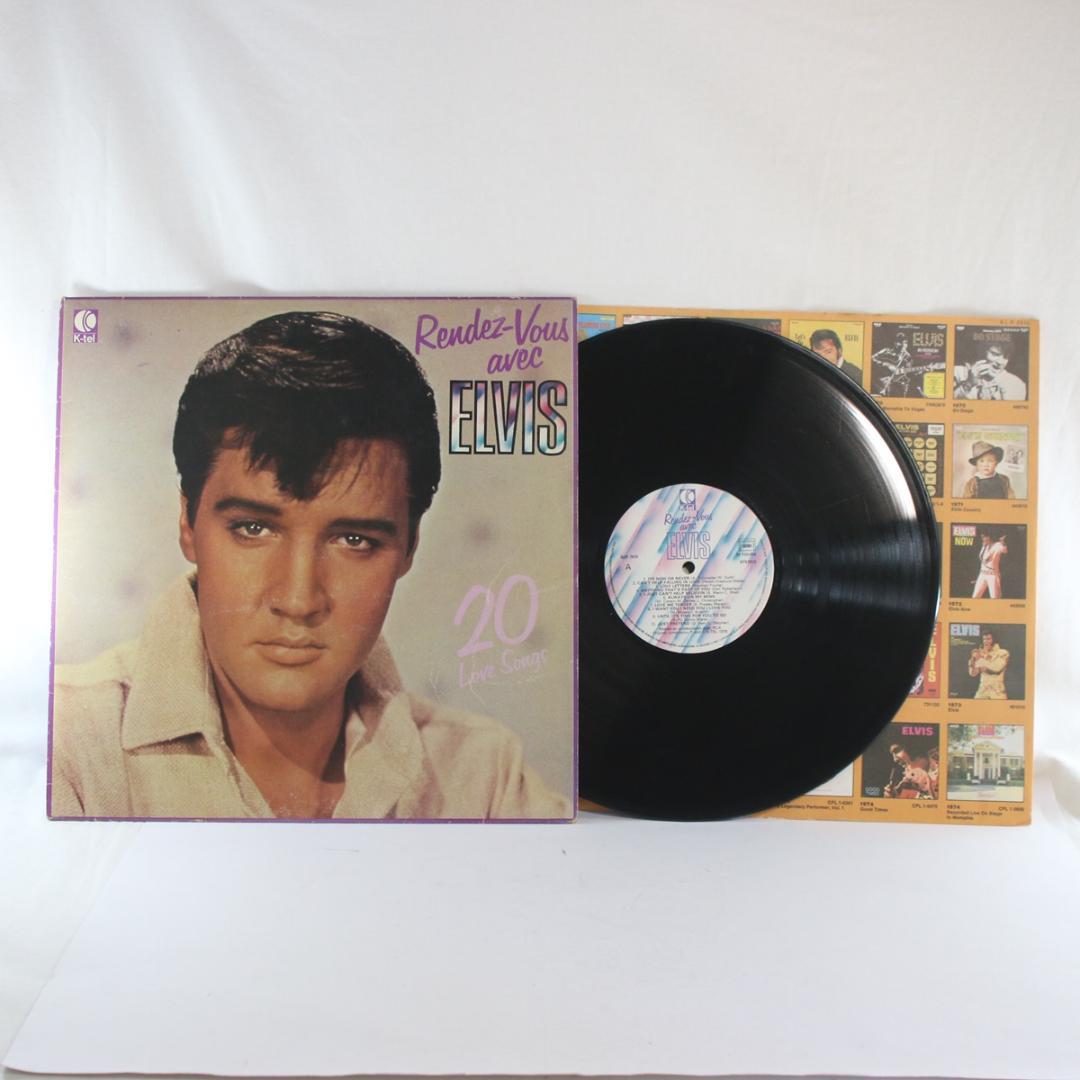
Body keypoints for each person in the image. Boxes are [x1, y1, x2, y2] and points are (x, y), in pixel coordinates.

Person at [51, 311, 570, 821]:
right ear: (188, 522)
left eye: (354, 540)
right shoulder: (67, 743)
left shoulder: (483, 777)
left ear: (409, 546)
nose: (298, 600)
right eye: (253, 529)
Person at [954, 342, 1027, 401]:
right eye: (995, 354)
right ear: (982, 351)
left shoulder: (1017, 385)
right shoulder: (958, 372)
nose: (1000, 362)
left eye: (1006, 357)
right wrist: (969, 384)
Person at [968, 631, 1010, 700]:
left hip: (997, 692)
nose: (985, 641)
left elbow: (997, 668)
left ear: (994, 640)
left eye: (988, 639)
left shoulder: (1003, 653)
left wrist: (985, 657)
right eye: (984, 639)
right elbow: (973, 673)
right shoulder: (981, 654)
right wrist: (973, 659)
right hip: (982, 691)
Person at [972, 532, 1008, 599]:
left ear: (989, 537)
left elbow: (1004, 550)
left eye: (984, 537)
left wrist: (1003, 542)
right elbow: (982, 560)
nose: (982, 539)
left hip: (992, 575)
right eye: (982, 537)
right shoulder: (985, 545)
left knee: (995, 598)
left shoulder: (997, 545)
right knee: (975, 597)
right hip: (982, 575)